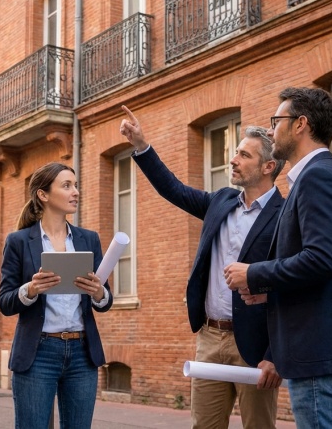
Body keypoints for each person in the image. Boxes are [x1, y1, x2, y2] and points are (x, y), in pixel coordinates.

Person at [224, 87, 332, 428]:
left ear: (300, 125)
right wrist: (271, 291)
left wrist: (254, 274)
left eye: (277, 121)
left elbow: (321, 259)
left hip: (321, 356)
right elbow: (325, 269)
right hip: (326, 355)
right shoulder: (318, 175)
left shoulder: (318, 177)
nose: (271, 130)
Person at [120, 106, 284, 429]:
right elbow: (174, 189)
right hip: (209, 338)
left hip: (255, 345)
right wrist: (141, 145)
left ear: (268, 166)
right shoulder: (220, 201)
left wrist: (275, 355)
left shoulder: (285, 214)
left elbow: (289, 286)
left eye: (244, 155)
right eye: (235, 152)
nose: (233, 159)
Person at [0, 162, 113, 429]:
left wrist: (99, 293)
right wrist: (31, 289)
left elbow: (106, 300)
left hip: (82, 353)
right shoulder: (18, 241)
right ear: (43, 194)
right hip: (38, 353)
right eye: (67, 186)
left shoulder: (88, 239)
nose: (76, 192)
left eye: (76, 185)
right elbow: (4, 301)